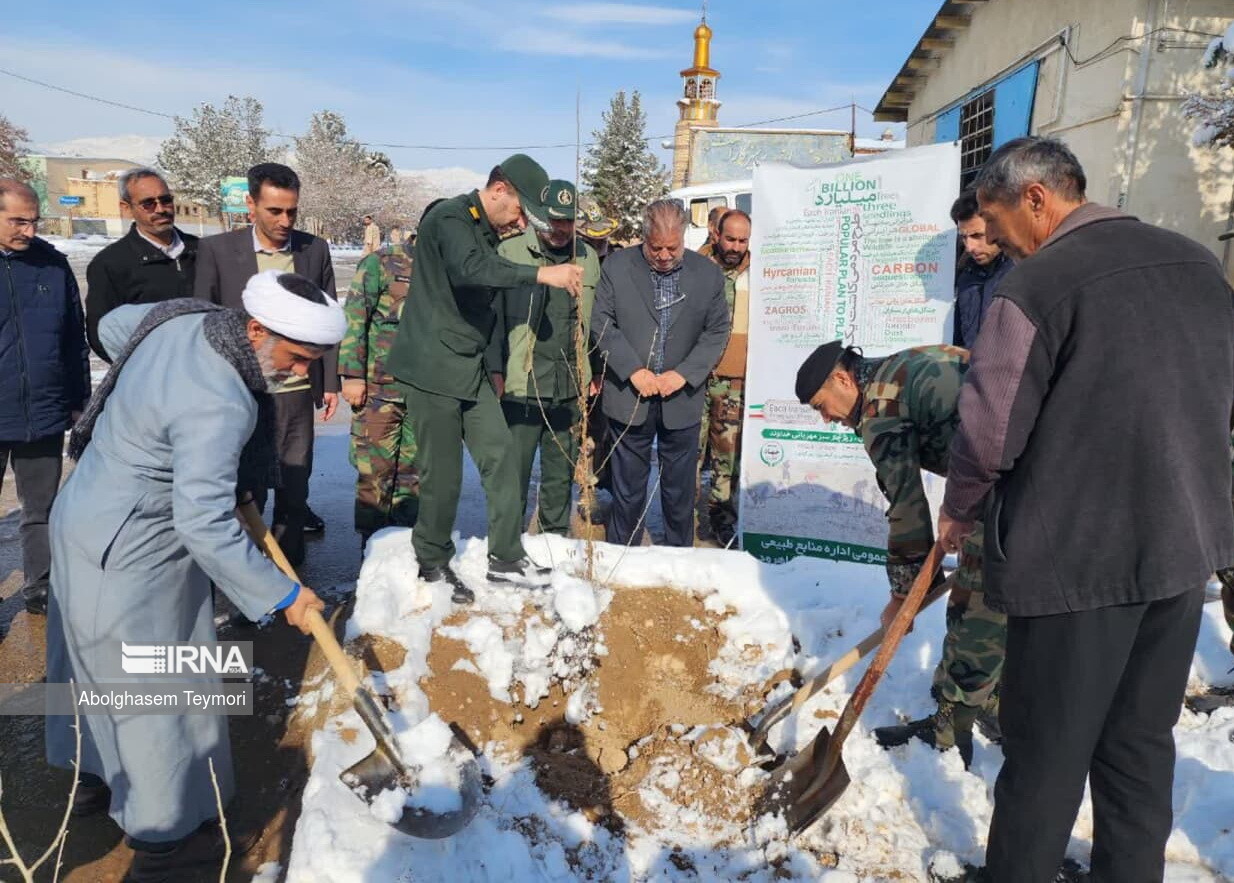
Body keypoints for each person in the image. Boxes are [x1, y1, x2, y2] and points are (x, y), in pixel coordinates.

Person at [936, 137, 1234, 882]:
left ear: (1036, 197)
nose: (997, 240)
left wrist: (959, 510)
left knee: (1044, 757)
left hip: (1074, 563)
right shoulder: (1199, 265)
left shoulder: (1032, 289)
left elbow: (989, 429)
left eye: (997, 221)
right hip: (1178, 554)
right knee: (1138, 746)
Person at [47, 271, 339, 880]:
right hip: (131, 551)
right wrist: (282, 593)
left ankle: (93, 778)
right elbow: (205, 524)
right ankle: (166, 840)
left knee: (90, 662)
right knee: (153, 688)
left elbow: (112, 326)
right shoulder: (221, 402)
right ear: (256, 328)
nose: (300, 374)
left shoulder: (186, 317)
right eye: (295, 356)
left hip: (89, 513)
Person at [795, 341, 1004, 767]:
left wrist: (901, 599)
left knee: (976, 605)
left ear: (842, 378)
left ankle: (953, 726)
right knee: (992, 593)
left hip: (1016, 481)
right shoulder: (900, 367)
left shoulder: (879, 411)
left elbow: (907, 507)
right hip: (1016, 472)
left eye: (823, 405)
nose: (828, 419)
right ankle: (983, 695)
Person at [384, 155, 584, 600]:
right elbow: (471, 270)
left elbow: (485, 303)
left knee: (501, 455)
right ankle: (432, 559)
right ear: (499, 190)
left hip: (469, 366)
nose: (519, 221)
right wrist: (541, 272)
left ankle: (506, 558)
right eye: (517, 210)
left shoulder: (484, 227)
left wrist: (492, 365)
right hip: (433, 366)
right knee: (444, 476)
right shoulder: (449, 217)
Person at [195, 163, 339, 565]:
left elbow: (326, 321)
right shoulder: (218, 252)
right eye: (274, 211)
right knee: (248, 493)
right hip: (243, 396)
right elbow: (203, 322)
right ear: (250, 204)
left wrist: (329, 382)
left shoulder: (313, 250)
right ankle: (248, 579)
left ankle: (289, 577)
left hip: (295, 396)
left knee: (295, 489)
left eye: (292, 211)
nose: (285, 221)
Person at [592, 199, 730, 547]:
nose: (665, 255)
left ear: (684, 237)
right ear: (643, 238)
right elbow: (602, 323)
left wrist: (683, 375)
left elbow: (716, 332)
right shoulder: (617, 267)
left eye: (673, 247)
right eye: (656, 248)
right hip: (629, 394)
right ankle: (621, 556)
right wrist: (632, 370)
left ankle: (678, 557)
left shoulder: (708, 274)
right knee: (627, 490)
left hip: (681, 396)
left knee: (680, 490)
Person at [0, 178, 90, 616]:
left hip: (42, 410)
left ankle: (41, 586)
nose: (29, 231)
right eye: (18, 221)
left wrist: (78, 399)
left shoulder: (52, 267)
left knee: (42, 509)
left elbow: (75, 338)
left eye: (34, 221)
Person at [495, 180, 600, 535]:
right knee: (514, 474)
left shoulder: (588, 256)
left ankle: (555, 543)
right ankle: (507, 545)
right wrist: (493, 370)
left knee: (559, 474)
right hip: (522, 382)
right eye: (553, 220)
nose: (560, 229)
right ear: (539, 218)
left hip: (569, 382)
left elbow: (594, 321)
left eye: (568, 221)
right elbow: (492, 319)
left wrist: (594, 371)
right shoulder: (510, 253)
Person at [339, 235, 419, 547]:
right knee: (375, 474)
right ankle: (371, 550)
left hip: (423, 391)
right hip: (378, 388)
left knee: (415, 475)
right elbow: (355, 319)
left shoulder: (447, 267)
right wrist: (352, 375)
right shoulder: (382, 262)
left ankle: (403, 547)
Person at [85, 168, 198, 360]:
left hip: (210, 372)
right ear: (126, 208)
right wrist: (140, 369)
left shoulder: (203, 251)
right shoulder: (110, 264)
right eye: (148, 204)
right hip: (153, 375)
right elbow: (101, 334)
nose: (161, 209)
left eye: (165, 200)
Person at [699, 209, 751, 546]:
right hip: (693, 379)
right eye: (729, 238)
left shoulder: (760, 273)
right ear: (716, 234)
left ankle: (721, 520)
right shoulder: (694, 267)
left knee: (727, 460)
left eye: (742, 240)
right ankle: (678, 518)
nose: (735, 246)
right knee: (684, 454)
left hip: (733, 381)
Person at [950, 188, 1012, 350]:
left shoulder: (1022, 272)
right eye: (964, 237)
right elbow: (959, 339)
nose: (970, 247)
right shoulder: (966, 276)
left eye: (978, 236)